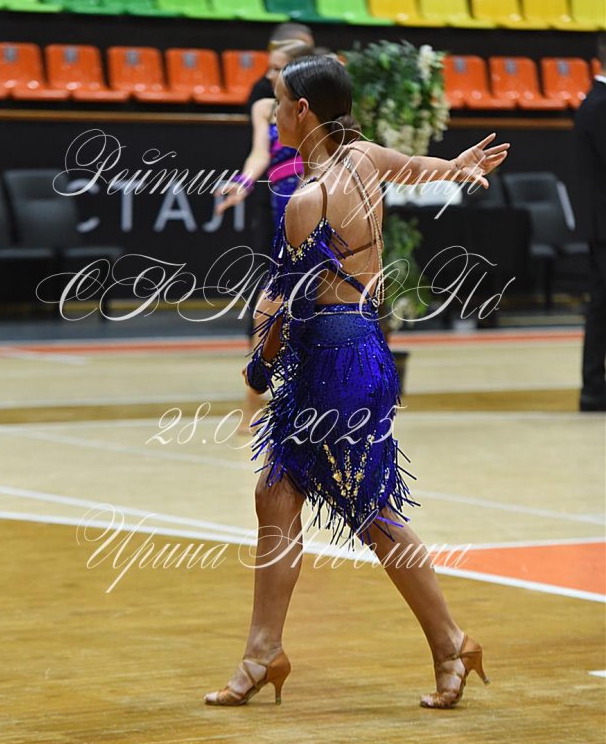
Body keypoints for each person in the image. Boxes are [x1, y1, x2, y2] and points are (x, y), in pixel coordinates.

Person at [204, 55, 509, 710]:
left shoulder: (307, 200)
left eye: (279, 102)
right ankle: (263, 651)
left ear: (303, 110)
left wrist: (258, 368)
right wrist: (456, 166)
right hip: (362, 348)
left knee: (370, 511)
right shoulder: (364, 158)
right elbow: (415, 166)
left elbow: (288, 306)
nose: (274, 114)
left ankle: (451, 641)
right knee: (276, 492)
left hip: (333, 363)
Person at [217, 38, 315, 430]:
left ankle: (312, 402)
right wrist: (242, 184)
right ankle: (252, 402)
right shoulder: (264, 107)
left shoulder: (317, 107)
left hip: (316, 197)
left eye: (277, 69)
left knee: (313, 301)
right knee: (271, 303)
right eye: (269, 67)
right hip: (282, 203)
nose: (268, 75)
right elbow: (260, 154)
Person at [573, 34, 606, 412]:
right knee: (601, 308)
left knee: (601, 306)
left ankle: (595, 386)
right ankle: (594, 388)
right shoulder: (600, 103)